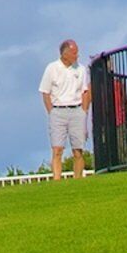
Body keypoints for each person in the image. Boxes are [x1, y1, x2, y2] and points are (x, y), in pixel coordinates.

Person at [39, 39, 93, 175]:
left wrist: (84, 112)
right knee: (57, 149)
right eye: (74, 53)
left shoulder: (80, 69)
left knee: (78, 150)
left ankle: (78, 179)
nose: (77, 56)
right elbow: (45, 92)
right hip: (58, 110)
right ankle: (57, 180)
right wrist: (51, 112)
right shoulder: (52, 68)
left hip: (76, 110)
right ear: (65, 53)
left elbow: (85, 91)